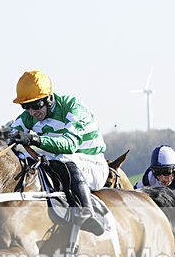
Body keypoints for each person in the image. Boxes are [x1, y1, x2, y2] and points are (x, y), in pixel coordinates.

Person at [7, 70, 108, 236]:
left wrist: (34, 139)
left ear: (49, 98)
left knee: (63, 158)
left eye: (36, 105)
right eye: (26, 106)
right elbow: (9, 136)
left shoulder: (73, 107)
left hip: (92, 164)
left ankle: (87, 211)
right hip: (61, 163)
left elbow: (70, 145)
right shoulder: (29, 115)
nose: (31, 112)